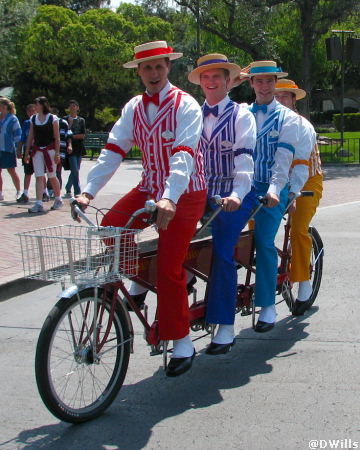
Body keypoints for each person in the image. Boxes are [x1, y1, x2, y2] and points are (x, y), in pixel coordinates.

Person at [75, 41, 207, 377]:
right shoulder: (134, 107)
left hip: (186, 192)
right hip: (149, 186)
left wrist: (170, 198)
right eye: (146, 68)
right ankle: (137, 280)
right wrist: (88, 192)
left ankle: (181, 342)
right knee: (111, 228)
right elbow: (113, 150)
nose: (153, 73)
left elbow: (183, 156)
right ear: (138, 72)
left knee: (169, 264)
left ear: (168, 67)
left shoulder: (185, 105)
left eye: (158, 66)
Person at [188, 54, 256, 354]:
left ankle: (224, 325)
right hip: (201, 191)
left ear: (228, 81)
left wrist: (237, 195)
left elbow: (244, 163)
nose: (211, 82)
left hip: (233, 192)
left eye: (217, 76)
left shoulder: (242, 115)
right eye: (206, 77)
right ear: (200, 81)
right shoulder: (192, 114)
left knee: (223, 249)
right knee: (174, 240)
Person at [242, 61, 310, 332]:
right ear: (250, 84)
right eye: (258, 81)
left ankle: (268, 306)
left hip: (273, 187)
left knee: (264, 241)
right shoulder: (242, 113)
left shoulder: (289, 118)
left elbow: (284, 160)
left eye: (269, 80)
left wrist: (277, 191)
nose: (264, 86)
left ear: (275, 82)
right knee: (221, 239)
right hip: (244, 187)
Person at [274, 79, 323, 315]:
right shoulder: (269, 123)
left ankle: (304, 282)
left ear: (294, 100)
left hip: (308, 180)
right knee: (253, 223)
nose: (280, 100)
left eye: (285, 96)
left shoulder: (302, 125)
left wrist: (293, 194)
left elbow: (301, 168)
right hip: (280, 181)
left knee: (298, 228)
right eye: (277, 96)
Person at [24, 96, 63, 213]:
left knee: (51, 175)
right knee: (39, 176)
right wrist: (27, 152)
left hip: (50, 150)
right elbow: (31, 136)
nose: (35, 106)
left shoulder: (52, 118)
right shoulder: (33, 119)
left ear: (42, 105)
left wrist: (57, 153)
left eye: (37, 104)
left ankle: (58, 199)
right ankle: (39, 203)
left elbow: (57, 137)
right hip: (37, 151)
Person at [46, 107, 73, 198]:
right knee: (50, 170)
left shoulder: (63, 123)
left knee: (57, 170)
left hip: (61, 150)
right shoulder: (47, 122)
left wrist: (69, 145)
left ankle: (57, 190)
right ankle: (50, 189)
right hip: (49, 149)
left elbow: (68, 135)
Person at [0, 97, 22, 201]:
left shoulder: (13, 118)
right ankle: (0, 193)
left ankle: (18, 191)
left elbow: (18, 134)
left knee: (11, 171)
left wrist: (19, 148)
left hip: (8, 148)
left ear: (4, 106)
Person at [63, 100, 86, 198]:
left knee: (76, 169)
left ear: (77, 108)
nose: (72, 108)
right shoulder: (65, 119)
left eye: (74, 106)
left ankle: (68, 186)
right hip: (70, 147)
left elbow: (82, 135)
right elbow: (64, 133)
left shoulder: (81, 120)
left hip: (79, 147)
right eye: (70, 106)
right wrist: (70, 130)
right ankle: (77, 191)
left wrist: (72, 135)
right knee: (74, 169)